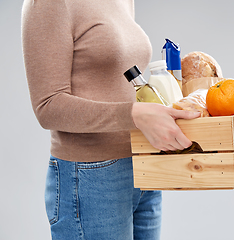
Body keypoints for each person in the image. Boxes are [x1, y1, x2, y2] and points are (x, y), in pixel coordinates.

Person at [21, 0, 200, 239]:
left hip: (143, 165)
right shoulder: (48, 3)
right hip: (91, 178)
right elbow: (48, 106)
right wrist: (133, 115)